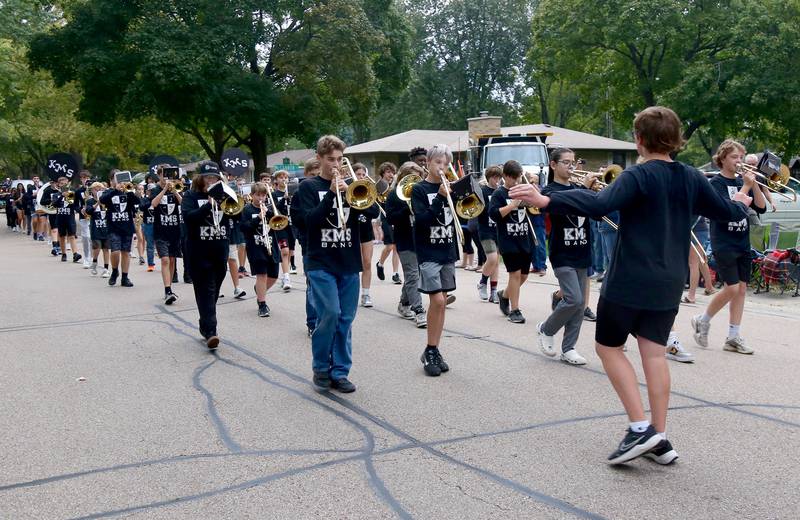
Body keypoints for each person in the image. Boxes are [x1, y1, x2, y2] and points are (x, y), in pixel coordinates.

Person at [509, 106, 751, 465]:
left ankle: (640, 429)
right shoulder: (691, 177)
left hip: (630, 279)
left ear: (639, 139)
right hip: (669, 282)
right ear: (676, 138)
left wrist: (548, 200)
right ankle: (660, 437)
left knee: (609, 347)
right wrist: (742, 200)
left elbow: (598, 203)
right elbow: (727, 211)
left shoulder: (638, 176)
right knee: (654, 353)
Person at [293, 135, 378, 393]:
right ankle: (321, 366)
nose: (336, 165)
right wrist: (330, 196)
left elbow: (373, 213)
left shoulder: (351, 185)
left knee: (345, 319)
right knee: (329, 314)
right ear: (319, 159)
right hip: (320, 261)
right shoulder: (307, 188)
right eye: (331, 160)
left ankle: (340, 371)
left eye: (340, 159)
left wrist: (359, 188)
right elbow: (309, 222)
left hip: (348, 262)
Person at [692, 139, 766, 355]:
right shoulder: (715, 184)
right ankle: (702, 319)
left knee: (741, 290)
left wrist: (756, 185)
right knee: (731, 288)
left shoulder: (744, 180)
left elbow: (760, 207)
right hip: (723, 241)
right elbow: (726, 210)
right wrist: (745, 186)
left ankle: (733, 336)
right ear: (722, 158)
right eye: (734, 157)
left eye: (741, 157)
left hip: (742, 241)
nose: (739, 161)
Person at [535, 148, 597, 364]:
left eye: (573, 162)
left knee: (580, 306)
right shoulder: (548, 191)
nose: (572, 167)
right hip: (562, 253)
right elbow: (556, 201)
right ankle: (546, 328)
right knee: (574, 299)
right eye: (566, 162)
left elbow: (598, 207)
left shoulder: (579, 188)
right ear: (553, 165)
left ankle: (569, 348)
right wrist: (585, 190)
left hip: (582, 250)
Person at [411, 144, 459, 376]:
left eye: (445, 163)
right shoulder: (419, 190)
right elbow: (422, 221)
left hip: (447, 250)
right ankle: (430, 349)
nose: (442, 167)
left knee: (441, 304)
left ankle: (434, 348)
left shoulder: (451, 186)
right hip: (428, 252)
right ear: (428, 163)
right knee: (438, 301)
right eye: (438, 162)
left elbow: (460, 214)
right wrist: (440, 198)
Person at [182, 161, 231, 349]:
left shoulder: (225, 196)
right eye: (208, 178)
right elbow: (189, 218)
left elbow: (236, 216)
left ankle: (205, 323)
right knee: (206, 291)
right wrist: (207, 206)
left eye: (215, 178)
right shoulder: (191, 196)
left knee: (214, 291)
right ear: (200, 179)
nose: (211, 181)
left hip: (220, 251)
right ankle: (212, 331)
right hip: (198, 252)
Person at [490, 160, 534, 324]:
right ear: (506, 176)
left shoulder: (522, 190)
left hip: (524, 238)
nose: (516, 181)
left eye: (519, 177)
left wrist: (531, 200)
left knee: (523, 276)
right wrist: (512, 205)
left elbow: (535, 210)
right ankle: (515, 310)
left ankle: (504, 295)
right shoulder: (499, 194)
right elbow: (494, 214)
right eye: (513, 178)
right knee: (514, 274)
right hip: (508, 240)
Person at [386, 161, 427, 327]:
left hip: (422, 240)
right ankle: (419, 310)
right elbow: (390, 218)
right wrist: (406, 208)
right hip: (405, 240)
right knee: (412, 275)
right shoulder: (394, 195)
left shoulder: (421, 193)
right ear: (403, 178)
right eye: (412, 179)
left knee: (415, 275)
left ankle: (403, 304)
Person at [240, 182, 282, 317]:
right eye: (258, 195)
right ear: (252, 195)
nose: (261, 198)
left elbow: (279, 224)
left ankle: (259, 290)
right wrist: (258, 218)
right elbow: (244, 228)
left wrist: (269, 214)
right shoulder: (247, 210)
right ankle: (262, 304)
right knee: (262, 275)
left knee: (274, 276)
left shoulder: (270, 209)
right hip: (255, 247)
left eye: (263, 195)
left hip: (271, 245)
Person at [291, 158, 322, 337]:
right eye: (312, 175)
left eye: (318, 174)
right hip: (310, 244)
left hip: (329, 244)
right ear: (306, 175)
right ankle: (312, 322)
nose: (316, 178)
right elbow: (298, 221)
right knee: (312, 285)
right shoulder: (301, 193)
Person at [150, 166, 184, 305]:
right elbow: (154, 203)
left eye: (168, 175)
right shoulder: (155, 190)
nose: (166, 178)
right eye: (164, 175)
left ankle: (169, 287)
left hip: (174, 230)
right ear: (159, 176)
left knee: (171, 260)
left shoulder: (177, 187)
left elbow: (183, 203)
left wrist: (174, 191)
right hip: (160, 231)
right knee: (164, 260)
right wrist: (164, 190)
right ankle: (167, 290)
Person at [99, 173, 138, 287]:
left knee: (126, 252)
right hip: (113, 226)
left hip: (127, 226)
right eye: (117, 180)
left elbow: (137, 202)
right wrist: (115, 190)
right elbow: (102, 200)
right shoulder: (108, 192)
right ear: (112, 181)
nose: (121, 183)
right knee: (115, 251)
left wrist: (130, 192)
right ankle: (115, 271)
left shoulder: (129, 191)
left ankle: (125, 277)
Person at [476, 165, 502, 303]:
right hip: (486, 229)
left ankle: (494, 291)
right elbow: (479, 209)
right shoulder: (483, 191)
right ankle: (482, 282)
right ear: (488, 178)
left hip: (498, 230)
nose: (496, 180)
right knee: (491, 258)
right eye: (494, 177)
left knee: (496, 262)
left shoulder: (501, 191)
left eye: (499, 177)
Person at [352, 162, 376, 307]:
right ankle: (352, 293)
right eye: (358, 174)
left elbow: (375, 212)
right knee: (354, 263)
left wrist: (363, 203)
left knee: (367, 262)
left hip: (366, 230)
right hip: (352, 230)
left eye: (362, 174)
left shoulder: (367, 190)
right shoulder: (346, 189)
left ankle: (366, 294)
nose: (360, 177)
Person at [374, 162, 401, 285]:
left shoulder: (396, 186)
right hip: (385, 217)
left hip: (396, 216)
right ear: (383, 173)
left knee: (397, 248)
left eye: (392, 172)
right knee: (390, 246)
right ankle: (380, 263)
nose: (391, 174)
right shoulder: (379, 185)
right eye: (388, 172)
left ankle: (396, 274)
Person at [682, 216, 715, 304]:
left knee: (693, 263)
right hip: (699, 230)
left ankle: (691, 296)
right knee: (700, 261)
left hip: (696, 231)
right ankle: (709, 287)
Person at [51, 176, 82, 263]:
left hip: (70, 217)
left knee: (72, 235)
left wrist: (80, 210)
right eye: (62, 184)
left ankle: (75, 253)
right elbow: (55, 204)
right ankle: (64, 253)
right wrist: (61, 196)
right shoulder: (56, 194)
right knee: (62, 236)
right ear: (59, 185)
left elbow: (73, 205)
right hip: (60, 217)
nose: (64, 185)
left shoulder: (71, 194)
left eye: (65, 184)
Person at [84, 182, 111, 277]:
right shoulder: (90, 201)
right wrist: (97, 203)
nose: (98, 191)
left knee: (106, 248)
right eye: (96, 189)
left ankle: (106, 269)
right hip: (96, 228)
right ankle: (94, 261)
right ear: (92, 191)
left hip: (106, 228)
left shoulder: (107, 201)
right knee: (97, 247)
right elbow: (89, 211)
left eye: (100, 189)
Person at [74, 170, 93, 268]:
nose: (86, 180)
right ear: (81, 179)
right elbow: (75, 205)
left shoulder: (94, 189)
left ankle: (92, 257)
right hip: (83, 217)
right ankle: (86, 258)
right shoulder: (78, 191)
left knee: (92, 238)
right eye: (84, 178)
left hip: (93, 216)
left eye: (87, 178)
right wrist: (80, 210)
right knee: (85, 237)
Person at [141, 174, 157, 271]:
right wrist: (150, 200)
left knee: (160, 243)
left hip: (159, 224)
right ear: (147, 191)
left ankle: (163, 257)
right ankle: (151, 264)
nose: (151, 192)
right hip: (148, 224)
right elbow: (142, 207)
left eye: (153, 191)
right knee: (150, 245)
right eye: (149, 191)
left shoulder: (159, 199)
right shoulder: (145, 199)